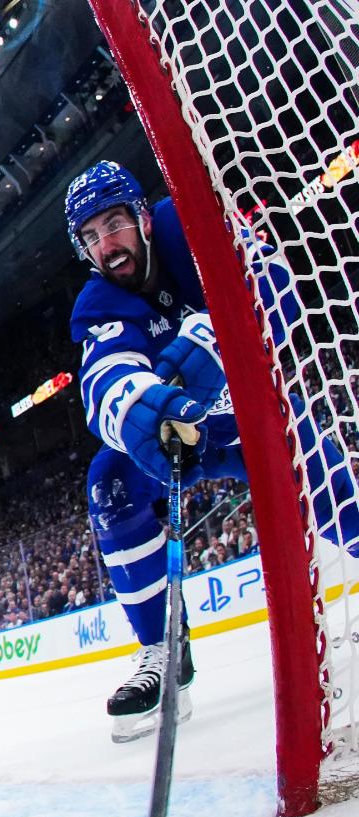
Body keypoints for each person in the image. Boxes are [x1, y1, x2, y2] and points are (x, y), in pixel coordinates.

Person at [65, 160, 359, 742]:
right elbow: (103, 386)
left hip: (253, 418)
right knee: (109, 481)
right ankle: (164, 650)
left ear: (143, 219)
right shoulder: (97, 305)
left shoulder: (191, 225)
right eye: (92, 237)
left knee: (324, 478)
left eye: (115, 224)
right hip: (189, 446)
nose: (108, 245)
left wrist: (206, 343)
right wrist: (149, 413)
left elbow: (273, 286)